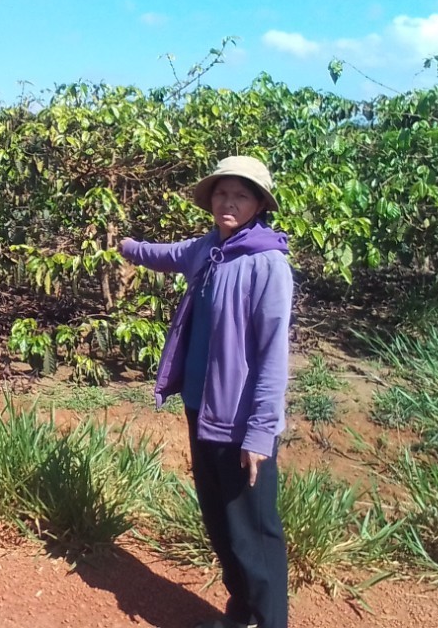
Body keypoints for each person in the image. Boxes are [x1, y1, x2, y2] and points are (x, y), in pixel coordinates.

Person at [119, 156, 292, 628]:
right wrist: (127, 246)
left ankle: (270, 621)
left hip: (242, 426)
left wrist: (260, 434)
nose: (228, 202)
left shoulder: (267, 264)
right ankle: (241, 616)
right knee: (221, 524)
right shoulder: (209, 249)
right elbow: (167, 254)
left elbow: (273, 357)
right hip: (202, 411)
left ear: (258, 204)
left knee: (254, 535)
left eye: (240, 195)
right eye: (221, 193)